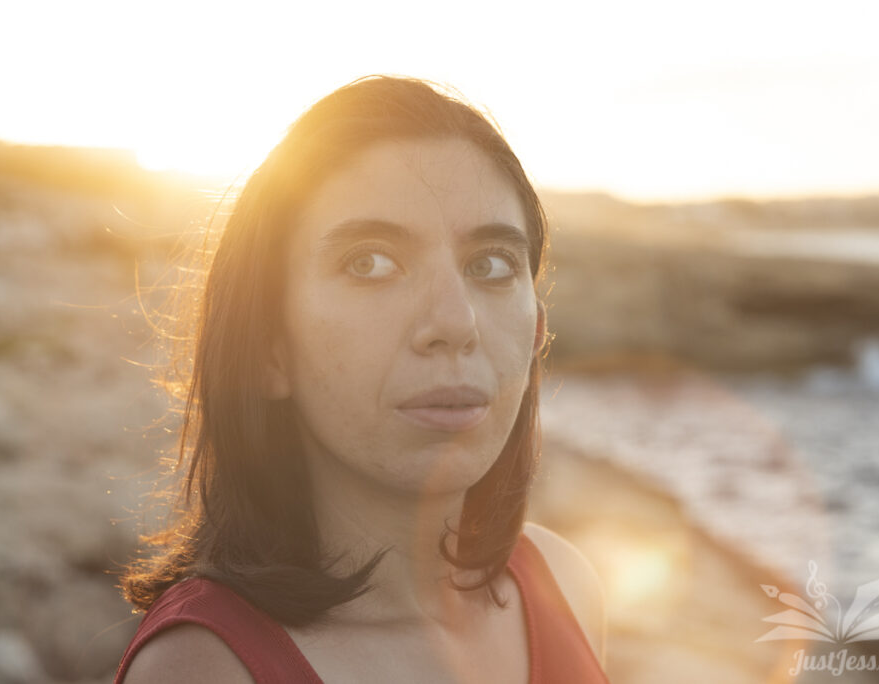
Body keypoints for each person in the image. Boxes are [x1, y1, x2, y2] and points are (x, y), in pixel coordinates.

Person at [115, 74, 610, 683]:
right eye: (370, 263)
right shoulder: (205, 669)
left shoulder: (564, 585)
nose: (455, 323)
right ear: (269, 348)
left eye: (490, 265)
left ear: (536, 331)